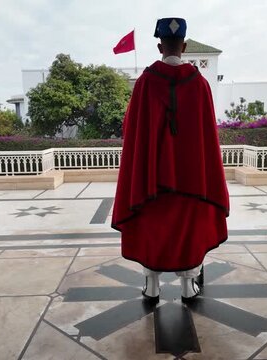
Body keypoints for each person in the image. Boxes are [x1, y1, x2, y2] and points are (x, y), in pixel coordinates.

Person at [112, 17, 229, 303]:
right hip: (192, 178)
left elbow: (131, 129)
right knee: (189, 227)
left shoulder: (144, 83)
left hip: (152, 179)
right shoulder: (200, 85)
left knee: (152, 225)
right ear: (185, 46)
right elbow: (207, 135)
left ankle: (151, 285)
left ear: (159, 46)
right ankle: (189, 286)